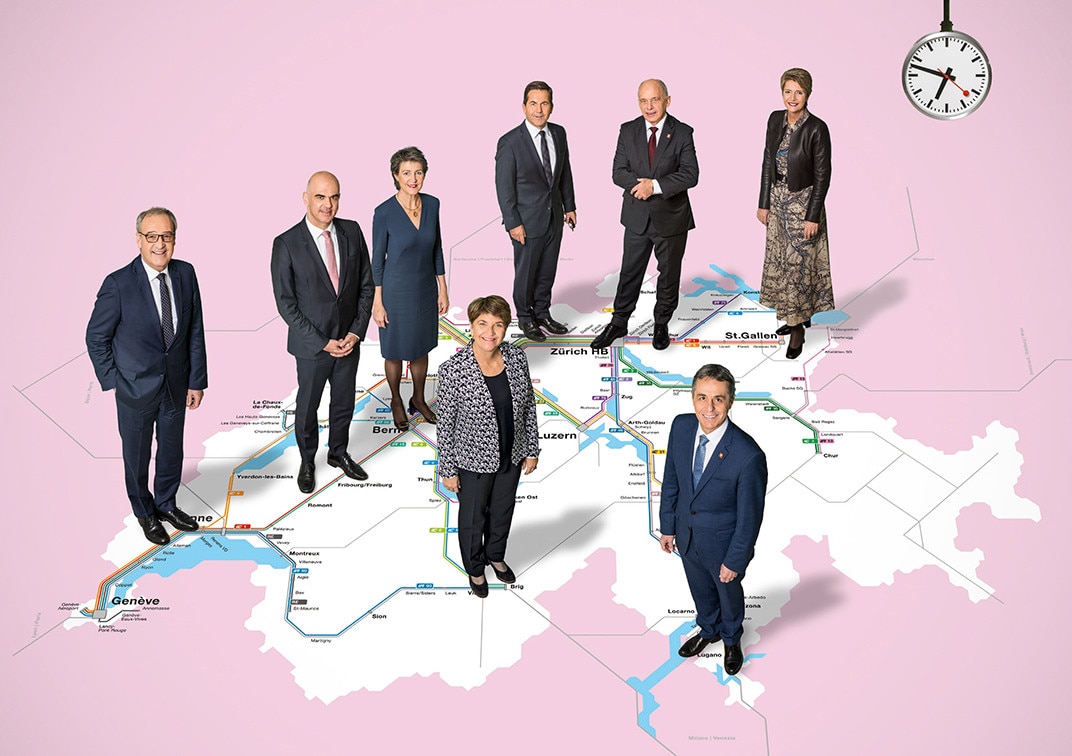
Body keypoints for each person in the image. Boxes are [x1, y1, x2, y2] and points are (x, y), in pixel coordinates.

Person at [86, 207, 208, 545]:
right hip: (134, 391)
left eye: (166, 236)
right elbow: (96, 337)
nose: (159, 244)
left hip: (176, 385)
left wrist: (196, 380)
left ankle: (166, 503)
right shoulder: (118, 284)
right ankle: (145, 512)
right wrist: (114, 381)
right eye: (151, 237)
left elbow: (194, 329)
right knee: (137, 457)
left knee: (172, 451)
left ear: (174, 239)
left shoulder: (186, 273)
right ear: (139, 240)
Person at [659, 364, 767, 676]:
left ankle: (732, 638)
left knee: (727, 595)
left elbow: (750, 518)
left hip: (724, 544)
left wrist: (735, 560)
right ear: (692, 398)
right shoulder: (680, 427)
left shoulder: (748, 455)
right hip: (686, 536)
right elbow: (672, 480)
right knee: (700, 590)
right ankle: (709, 629)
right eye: (702, 398)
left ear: (730, 401)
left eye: (718, 399)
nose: (709, 408)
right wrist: (668, 526)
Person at [271, 171, 374, 494]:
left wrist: (356, 333)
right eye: (320, 197)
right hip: (312, 347)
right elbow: (286, 305)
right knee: (307, 406)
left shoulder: (352, 231)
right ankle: (307, 460)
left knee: (343, 403)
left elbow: (366, 287)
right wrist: (323, 342)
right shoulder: (286, 243)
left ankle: (338, 453)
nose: (328, 205)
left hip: (348, 342)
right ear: (305, 198)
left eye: (334, 197)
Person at [436, 295, 540, 598]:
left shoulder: (516, 358)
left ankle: (495, 555)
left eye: (498, 325)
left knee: (502, 512)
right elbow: (445, 424)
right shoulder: (453, 370)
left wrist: (531, 448)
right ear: (470, 326)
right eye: (482, 323)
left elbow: (528, 406)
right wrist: (448, 469)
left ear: (506, 328)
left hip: (512, 453)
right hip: (472, 461)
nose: (490, 332)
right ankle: (476, 568)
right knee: (472, 519)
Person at [591, 78, 698, 352]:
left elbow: (690, 174)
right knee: (629, 272)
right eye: (643, 100)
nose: (649, 106)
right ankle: (619, 322)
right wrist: (641, 187)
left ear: (667, 100)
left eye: (655, 99)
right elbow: (618, 171)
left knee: (668, 274)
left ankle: (661, 323)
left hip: (671, 218)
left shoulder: (683, 132)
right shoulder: (627, 131)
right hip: (637, 217)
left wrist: (656, 186)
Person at [756, 67, 834, 360]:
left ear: (808, 94)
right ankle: (789, 317)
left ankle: (798, 327)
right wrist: (763, 201)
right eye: (788, 91)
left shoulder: (817, 127)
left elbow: (823, 174)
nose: (792, 97)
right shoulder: (775, 119)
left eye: (798, 92)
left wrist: (812, 215)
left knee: (798, 267)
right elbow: (767, 161)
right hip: (777, 201)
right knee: (780, 261)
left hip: (803, 203)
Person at [371, 147, 449, 431]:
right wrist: (377, 302)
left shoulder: (433, 204)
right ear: (396, 176)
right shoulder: (383, 212)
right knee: (393, 351)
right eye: (406, 173)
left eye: (418, 172)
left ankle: (418, 397)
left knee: (420, 348)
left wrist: (443, 288)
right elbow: (376, 260)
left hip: (425, 290)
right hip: (394, 292)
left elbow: (437, 247)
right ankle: (395, 399)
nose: (413, 178)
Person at [495, 80, 577, 343]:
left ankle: (542, 313)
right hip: (526, 222)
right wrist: (512, 223)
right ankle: (525, 318)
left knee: (547, 270)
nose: (539, 109)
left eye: (544, 103)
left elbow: (564, 173)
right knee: (526, 272)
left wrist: (570, 206)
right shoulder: (510, 142)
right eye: (533, 103)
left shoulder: (560, 133)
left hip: (555, 217)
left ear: (551, 106)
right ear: (523, 106)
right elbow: (504, 187)